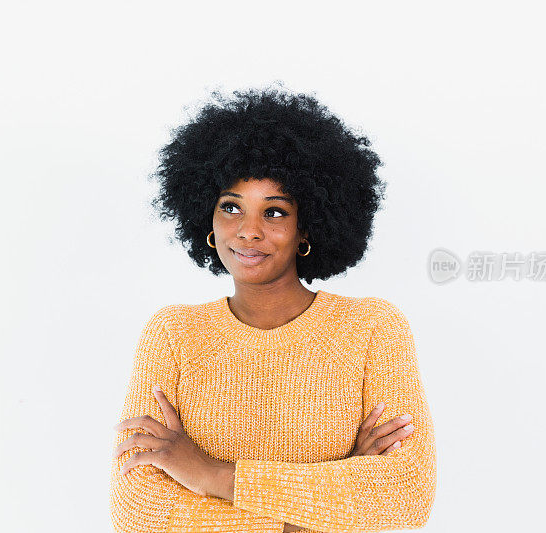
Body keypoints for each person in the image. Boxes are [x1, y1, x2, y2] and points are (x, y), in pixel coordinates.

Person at [110, 84, 436, 532]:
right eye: (231, 207)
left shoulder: (372, 328)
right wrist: (328, 507)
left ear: (308, 226)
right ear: (206, 217)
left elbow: (404, 497)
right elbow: (137, 511)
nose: (248, 231)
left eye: (275, 212)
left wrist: (211, 475)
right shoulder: (173, 333)